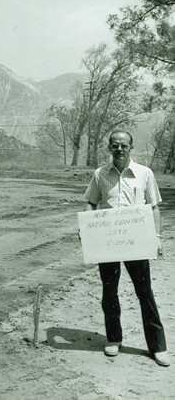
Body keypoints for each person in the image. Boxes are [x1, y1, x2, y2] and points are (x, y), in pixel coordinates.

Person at [82, 130, 170, 367]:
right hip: (107, 243)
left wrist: (157, 237)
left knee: (145, 293)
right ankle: (114, 338)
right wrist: (86, 230)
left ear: (131, 147)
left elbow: (154, 207)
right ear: (109, 147)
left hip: (137, 242)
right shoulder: (100, 174)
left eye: (123, 145)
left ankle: (157, 347)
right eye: (114, 145)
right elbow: (90, 202)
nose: (119, 149)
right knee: (109, 291)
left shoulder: (145, 173)